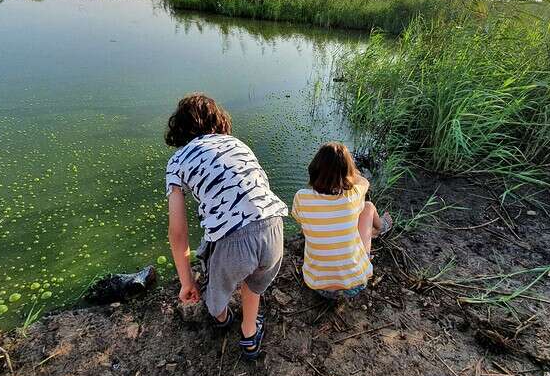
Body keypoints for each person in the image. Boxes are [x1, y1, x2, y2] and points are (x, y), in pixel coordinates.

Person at [165, 93, 288, 359]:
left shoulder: (177, 161)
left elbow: (177, 232)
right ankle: (249, 336)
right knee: (255, 282)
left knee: (217, 292)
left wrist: (187, 282)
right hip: (274, 228)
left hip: (234, 241)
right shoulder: (237, 144)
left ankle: (221, 318)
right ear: (218, 120)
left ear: (180, 129)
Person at [292, 142, 392, 301]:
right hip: (355, 285)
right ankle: (381, 227)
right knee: (368, 207)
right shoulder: (352, 195)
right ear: (347, 174)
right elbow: (364, 183)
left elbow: (302, 223)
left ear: (314, 170)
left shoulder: (301, 197)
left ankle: (373, 232)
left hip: (318, 285)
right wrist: (352, 173)